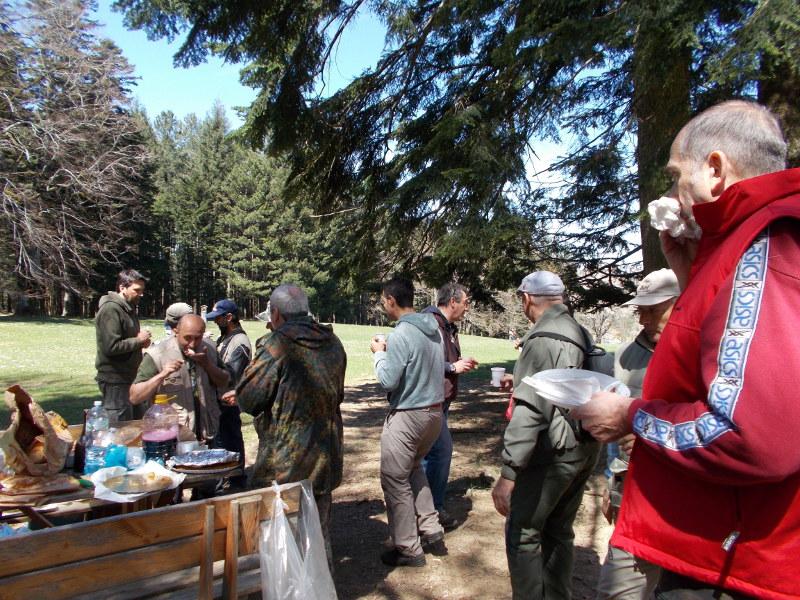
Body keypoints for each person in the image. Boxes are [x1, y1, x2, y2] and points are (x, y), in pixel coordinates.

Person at [573, 100, 800, 598]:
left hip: (734, 563)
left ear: (715, 168)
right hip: (724, 548)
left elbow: (749, 437)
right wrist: (691, 273)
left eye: (678, 175)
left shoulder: (767, 245)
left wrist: (632, 417)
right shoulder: (744, 243)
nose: (673, 193)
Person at [491, 270, 600, 599]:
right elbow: (562, 380)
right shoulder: (577, 331)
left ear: (526, 299)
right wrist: (520, 380)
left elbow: (531, 412)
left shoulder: (542, 338)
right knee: (559, 531)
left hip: (554, 452)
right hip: (584, 449)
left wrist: (509, 473)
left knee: (523, 533)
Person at [236, 284, 346, 568]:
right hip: (325, 458)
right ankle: (322, 583)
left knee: (283, 545)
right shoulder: (332, 342)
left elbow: (249, 399)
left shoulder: (277, 344)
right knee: (318, 535)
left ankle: (295, 587)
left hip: (286, 465)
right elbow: (336, 394)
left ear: (275, 314)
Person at [596, 269, 679, 600]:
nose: (643, 319)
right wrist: (611, 484)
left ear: (681, 303)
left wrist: (650, 436)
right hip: (633, 494)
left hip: (684, 501)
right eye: (640, 310)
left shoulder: (707, 351)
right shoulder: (626, 355)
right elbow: (617, 426)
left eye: (653, 310)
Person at [371, 277, 445, 567]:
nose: (383, 306)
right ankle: (431, 527)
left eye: (383, 301)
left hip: (408, 415)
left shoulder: (401, 334)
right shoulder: (434, 330)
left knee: (394, 478)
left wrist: (379, 355)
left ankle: (408, 548)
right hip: (434, 414)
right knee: (413, 468)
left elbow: (388, 380)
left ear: (391, 300)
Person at [421, 283, 477, 529]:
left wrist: (459, 362)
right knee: (439, 452)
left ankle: (425, 508)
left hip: (441, 400)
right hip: (430, 400)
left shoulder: (448, 326)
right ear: (452, 301)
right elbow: (422, 358)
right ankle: (431, 510)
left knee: (430, 454)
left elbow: (442, 357)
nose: (467, 308)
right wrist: (453, 367)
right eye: (466, 302)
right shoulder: (430, 322)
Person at [129, 314, 229, 444]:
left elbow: (225, 382)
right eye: (187, 338)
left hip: (208, 432)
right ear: (176, 331)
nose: (192, 344)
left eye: (198, 338)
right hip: (173, 436)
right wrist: (162, 374)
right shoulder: (157, 354)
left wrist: (207, 364)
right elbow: (135, 397)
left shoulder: (209, 349)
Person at [94, 269, 152, 423]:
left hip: (130, 377)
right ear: (122, 288)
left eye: (142, 290)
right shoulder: (110, 309)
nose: (141, 294)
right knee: (120, 427)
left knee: (137, 425)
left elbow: (128, 340)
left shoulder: (128, 307)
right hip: (115, 380)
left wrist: (142, 342)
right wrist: (138, 340)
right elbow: (111, 346)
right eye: (137, 290)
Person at [206, 299, 251, 489]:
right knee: (222, 440)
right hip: (220, 399)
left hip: (230, 400)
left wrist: (208, 365)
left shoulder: (240, 341)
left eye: (218, 318)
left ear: (229, 317)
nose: (216, 321)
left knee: (232, 439)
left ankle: (237, 479)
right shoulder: (225, 338)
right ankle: (228, 477)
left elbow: (232, 374)